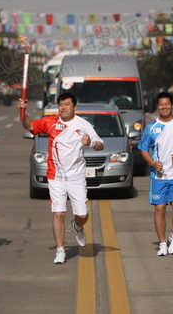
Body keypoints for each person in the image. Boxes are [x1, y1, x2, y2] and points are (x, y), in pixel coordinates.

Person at [17, 92, 104, 264]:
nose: (63, 107)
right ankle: (60, 250)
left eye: (67, 104)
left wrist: (91, 143)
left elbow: (100, 144)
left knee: (82, 214)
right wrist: (24, 111)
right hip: (56, 176)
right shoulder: (51, 122)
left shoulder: (83, 124)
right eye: (61, 105)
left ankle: (77, 226)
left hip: (77, 177)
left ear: (74, 107)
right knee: (59, 213)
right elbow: (29, 126)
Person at [138, 92, 173, 256]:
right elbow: (143, 149)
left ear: (172, 105)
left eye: (167, 104)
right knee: (160, 209)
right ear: (157, 106)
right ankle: (163, 243)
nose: (164, 107)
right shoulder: (152, 127)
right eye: (161, 104)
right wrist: (152, 163)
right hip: (159, 176)